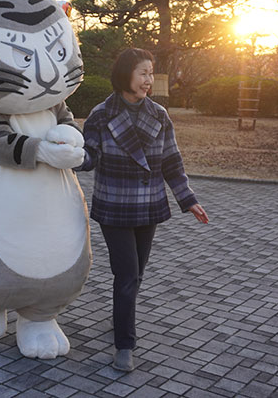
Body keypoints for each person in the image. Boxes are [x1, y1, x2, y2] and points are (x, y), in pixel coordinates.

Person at [76, 48, 209, 372]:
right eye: (143, 73)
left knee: (135, 275)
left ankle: (121, 318)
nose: (149, 80)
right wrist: (65, 154)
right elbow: (89, 157)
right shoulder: (101, 115)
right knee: (126, 275)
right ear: (126, 75)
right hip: (114, 207)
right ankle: (125, 344)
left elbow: (171, 163)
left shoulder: (160, 114)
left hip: (148, 207)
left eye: (151, 73)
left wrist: (188, 199)